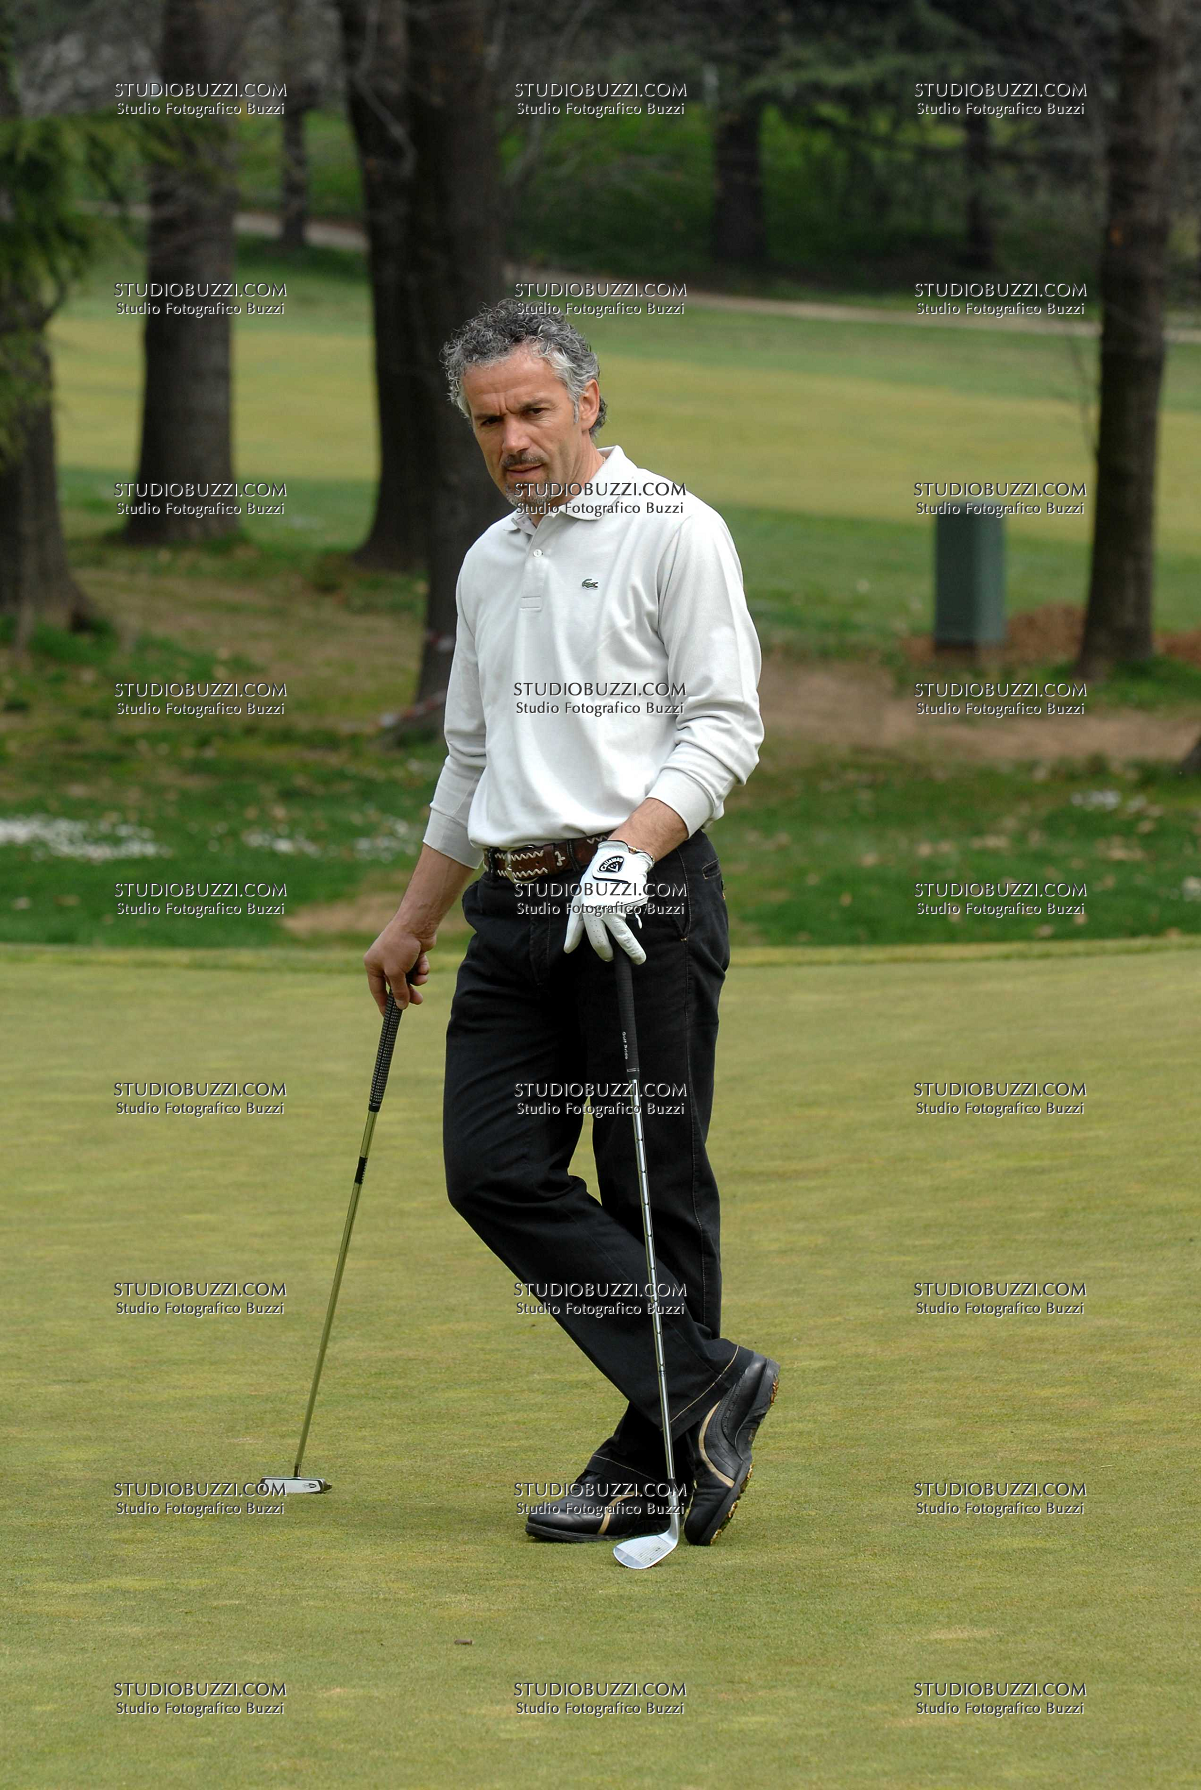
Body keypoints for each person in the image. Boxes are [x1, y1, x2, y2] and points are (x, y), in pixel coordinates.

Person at [363, 300, 778, 1546]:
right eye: (489, 420)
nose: (514, 440)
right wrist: (412, 920)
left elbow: (724, 724)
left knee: (651, 1184)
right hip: (514, 906)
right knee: (490, 1166)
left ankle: (652, 1460)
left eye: (533, 411)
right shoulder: (488, 559)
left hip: (644, 899)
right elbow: (469, 756)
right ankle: (706, 1384)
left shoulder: (675, 529)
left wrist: (630, 853)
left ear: (587, 400)